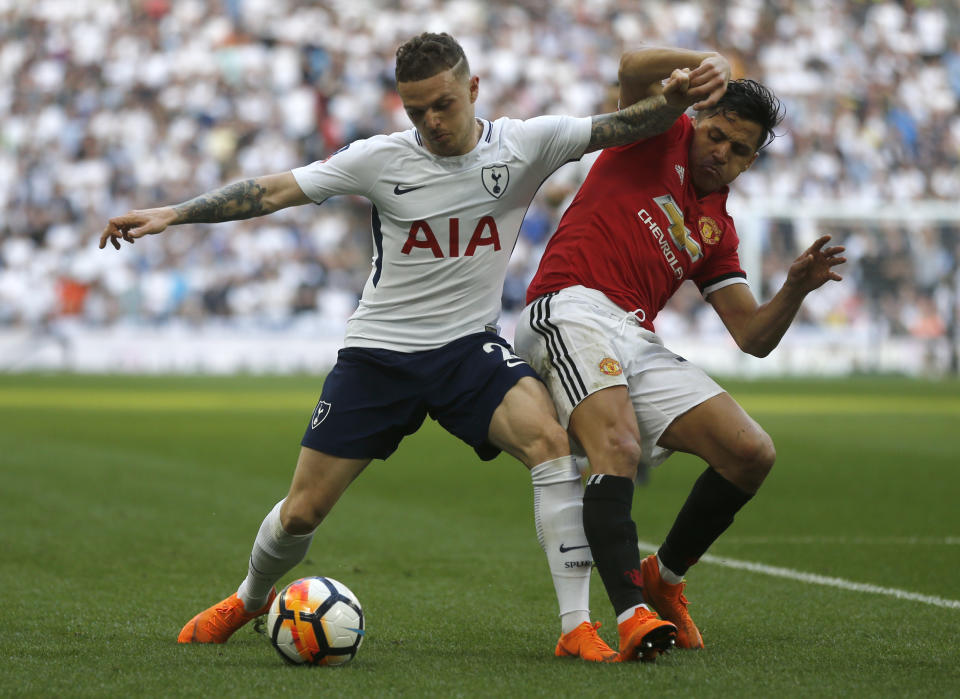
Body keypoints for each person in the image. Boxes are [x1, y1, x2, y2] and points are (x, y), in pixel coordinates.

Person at [99, 33, 722, 663]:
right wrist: (173, 214)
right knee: (301, 513)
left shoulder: (526, 143)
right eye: (416, 110)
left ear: (473, 90)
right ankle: (251, 597)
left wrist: (677, 98)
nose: (430, 122)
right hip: (378, 355)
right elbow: (273, 191)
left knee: (550, 444)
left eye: (442, 105)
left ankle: (574, 627)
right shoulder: (380, 160)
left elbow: (622, 126)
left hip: (467, 352)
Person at [515, 45, 846, 656]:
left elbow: (753, 337)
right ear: (699, 120)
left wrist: (795, 288)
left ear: (750, 164)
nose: (721, 153)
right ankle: (631, 614)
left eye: (739, 150)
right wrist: (703, 62)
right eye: (717, 135)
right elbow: (631, 66)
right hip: (568, 307)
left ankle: (663, 580)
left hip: (634, 337)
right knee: (618, 446)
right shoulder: (655, 135)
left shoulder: (716, 228)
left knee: (750, 452)